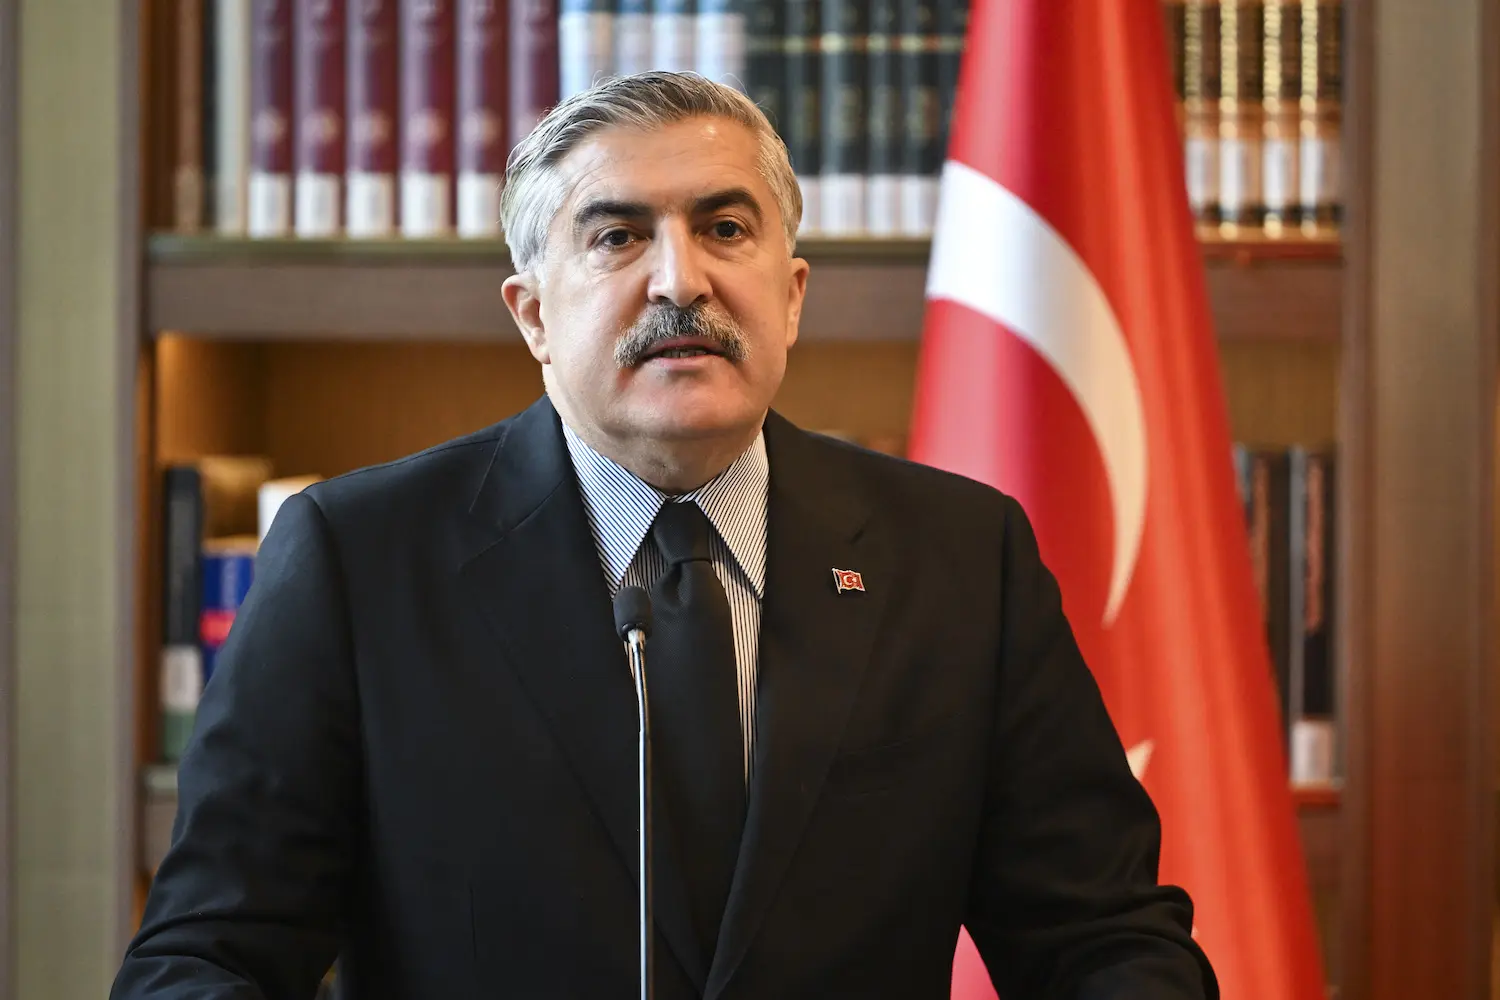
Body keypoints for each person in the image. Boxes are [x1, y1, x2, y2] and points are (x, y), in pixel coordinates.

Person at [111, 71, 1218, 1000]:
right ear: (533, 315)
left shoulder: (960, 559)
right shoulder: (360, 562)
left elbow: (1105, 943)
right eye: (618, 236)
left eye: (724, 229)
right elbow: (207, 959)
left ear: (792, 295)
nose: (681, 280)